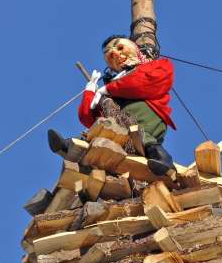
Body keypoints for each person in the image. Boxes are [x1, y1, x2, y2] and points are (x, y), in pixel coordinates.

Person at [48, 34, 176, 175]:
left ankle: (161, 158)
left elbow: (143, 84)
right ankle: (71, 146)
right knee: (102, 129)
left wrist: (109, 89)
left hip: (146, 116)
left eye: (120, 48)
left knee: (139, 132)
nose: (116, 55)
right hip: (118, 122)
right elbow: (88, 118)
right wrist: (90, 92)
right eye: (110, 56)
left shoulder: (155, 67)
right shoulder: (112, 89)